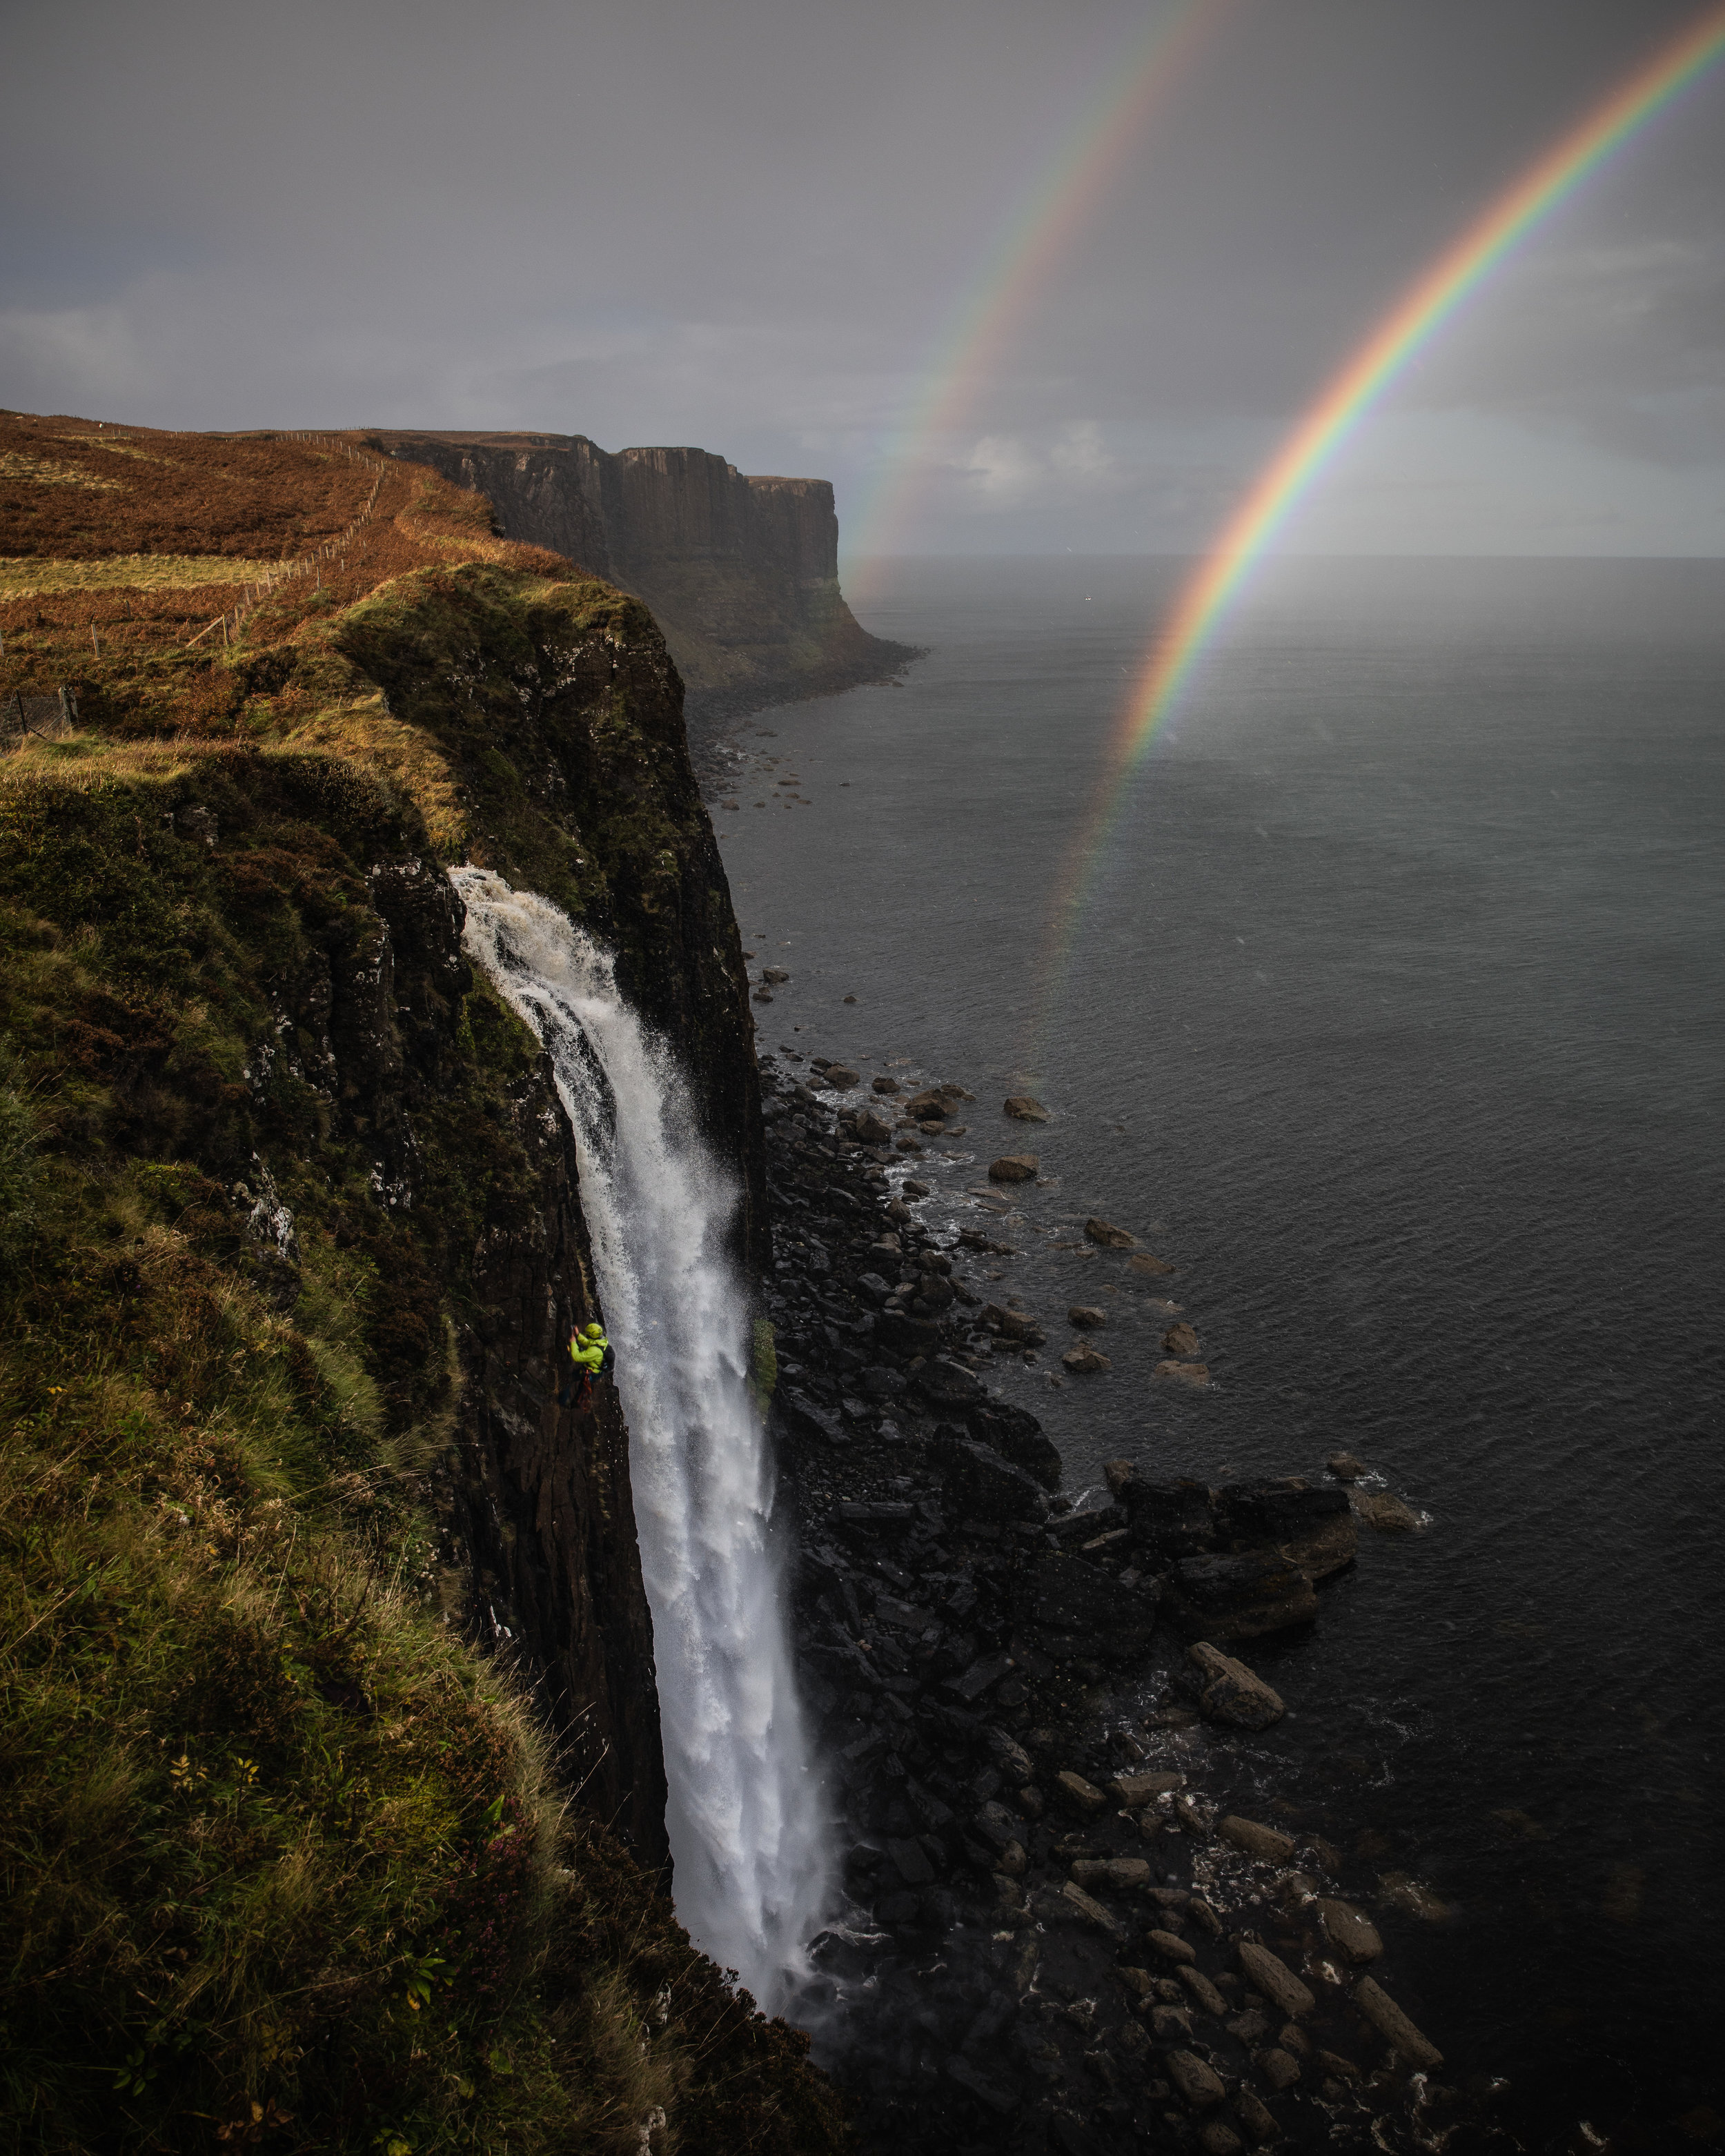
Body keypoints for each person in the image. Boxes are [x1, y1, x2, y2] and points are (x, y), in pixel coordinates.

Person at [562, 1320, 611, 1414]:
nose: (587, 1336)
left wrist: (573, 1342)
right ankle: (575, 1405)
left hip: (591, 1373)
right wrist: (578, 1335)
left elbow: (577, 1357)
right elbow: (588, 1343)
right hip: (594, 1370)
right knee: (581, 1387)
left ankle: (571, 1406)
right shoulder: (601, 1341)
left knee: (569, 1379)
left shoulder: (595, 1351)